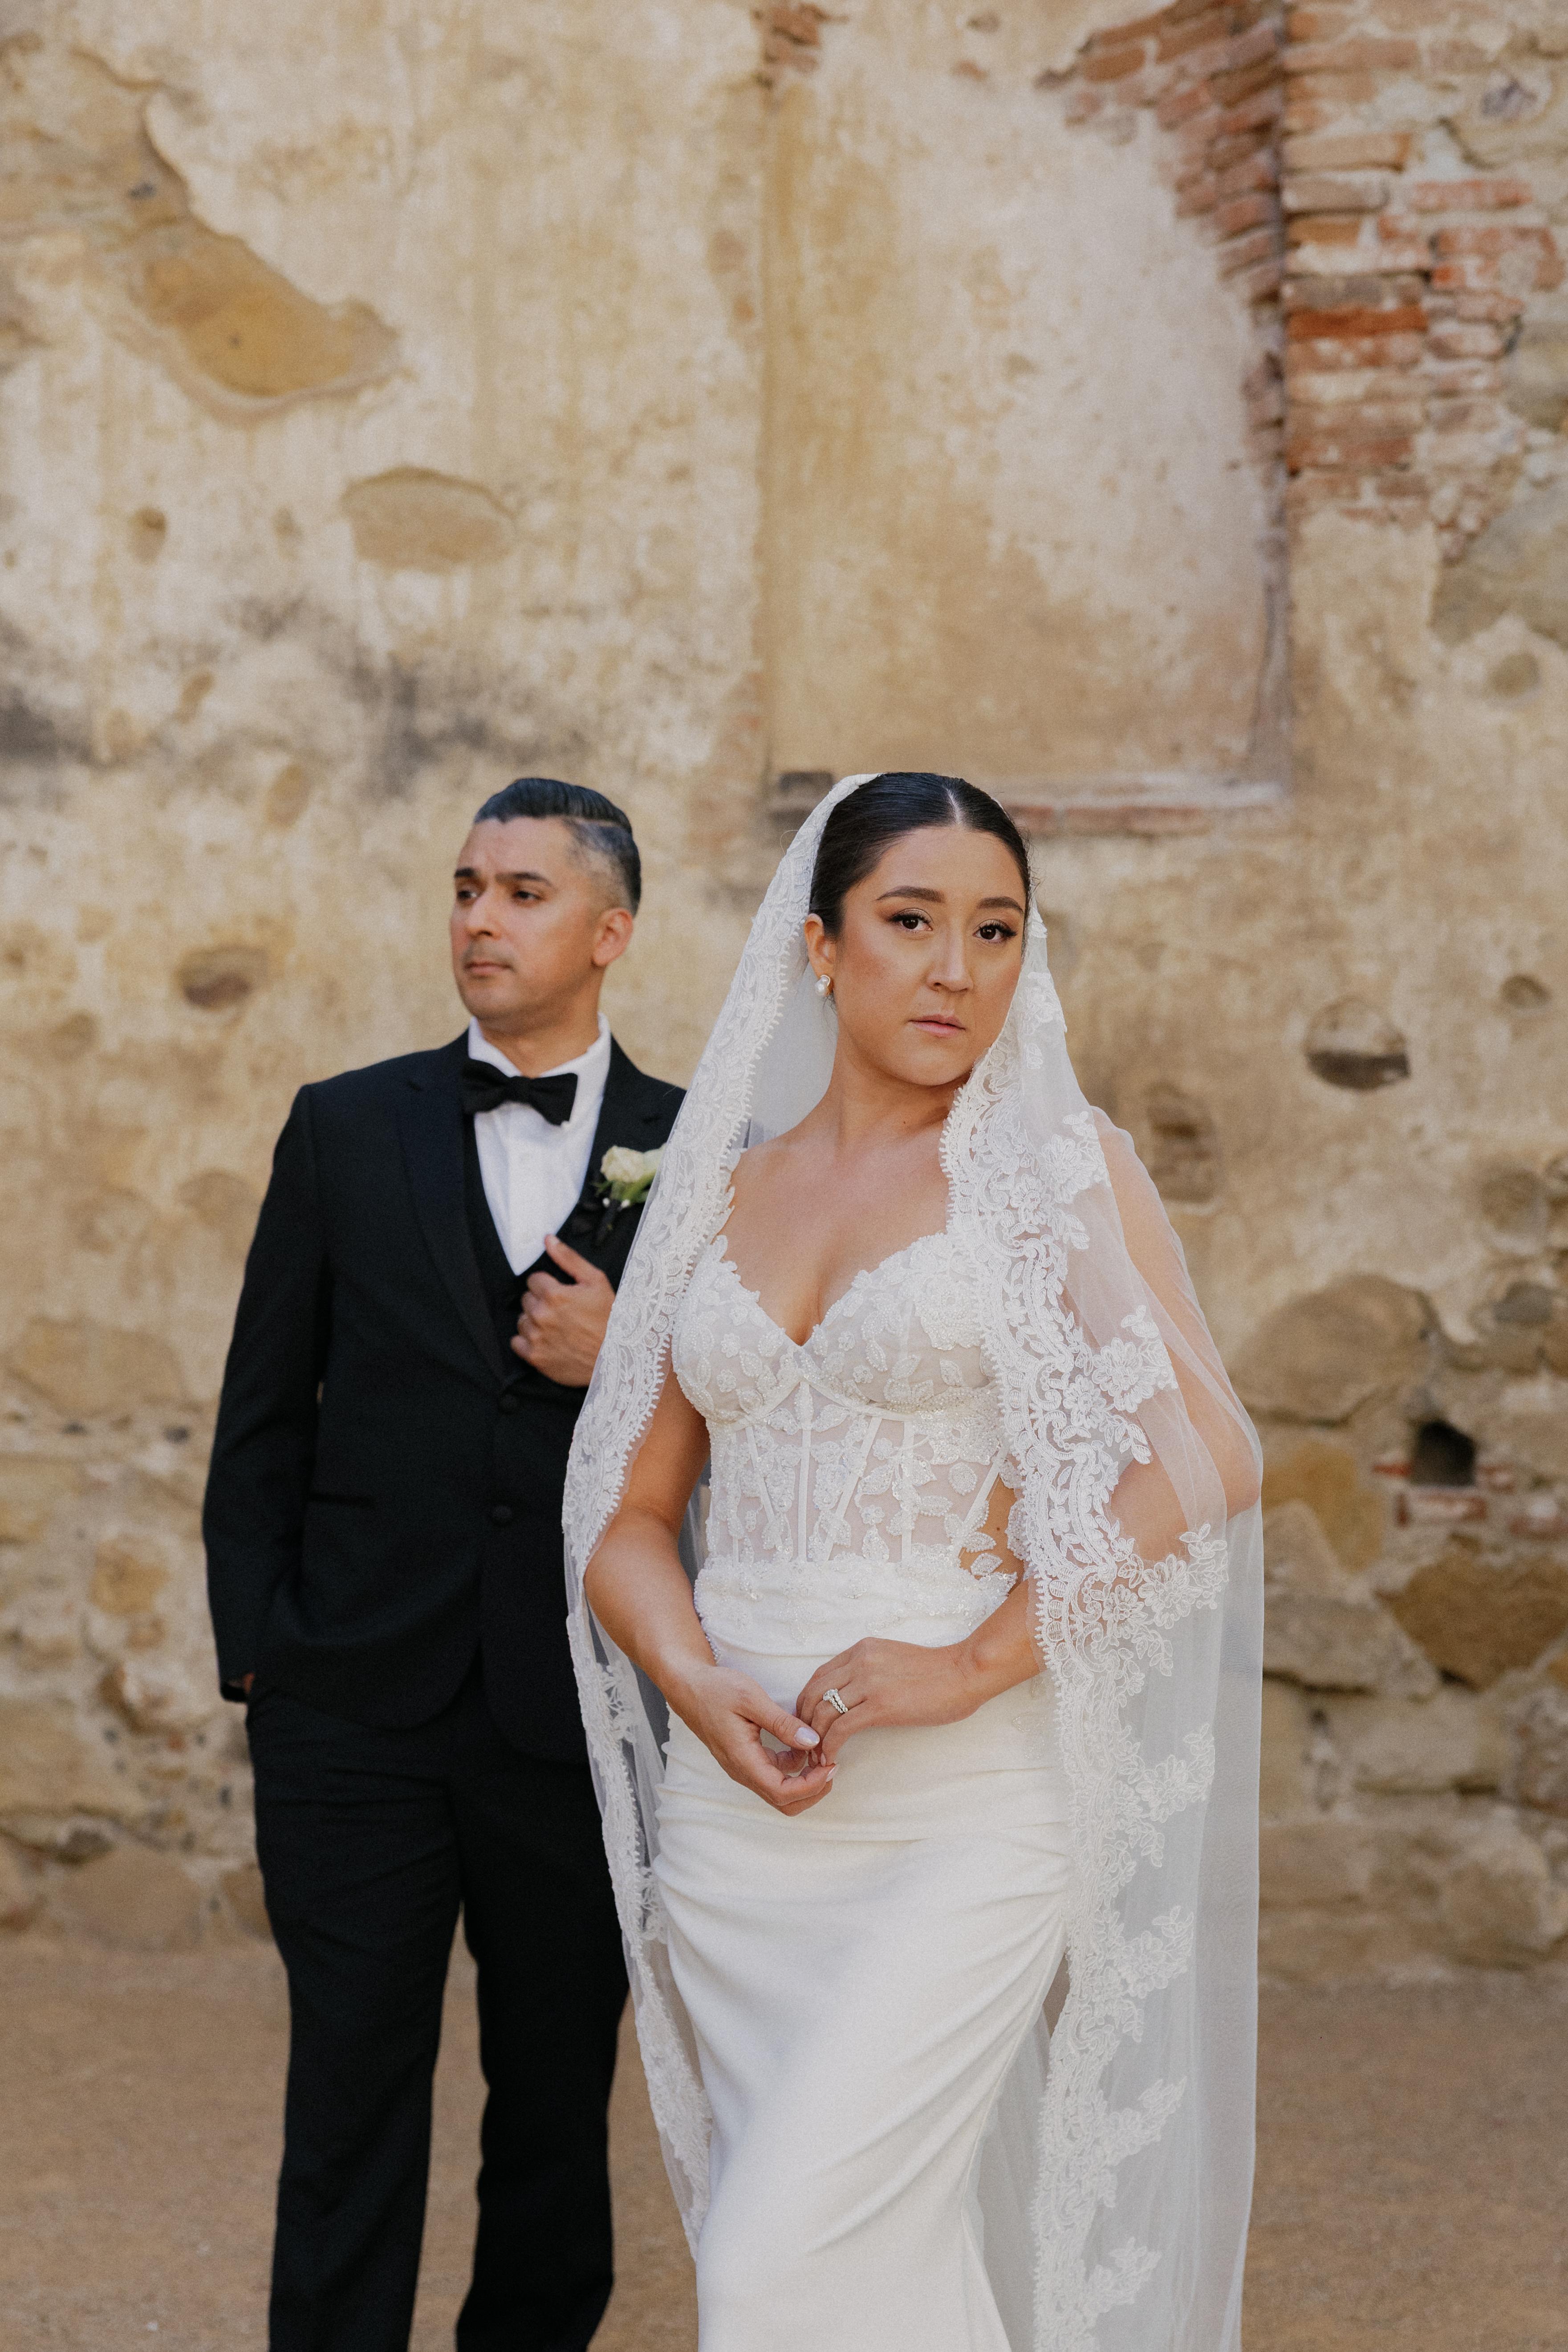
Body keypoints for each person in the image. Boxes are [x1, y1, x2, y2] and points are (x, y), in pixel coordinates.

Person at [561, 772, 1264, 2352]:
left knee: (771, 2264)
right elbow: (629, 1517)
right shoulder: (717, 1189)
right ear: (819, 946)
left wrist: (974, 1658)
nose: (956, 967)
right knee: (878, 2278)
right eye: (910, 921)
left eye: (995, 930)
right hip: (742, 1818)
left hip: (964, 1809)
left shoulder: (1050, 1171)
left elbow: (1205, 1454)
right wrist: (690, 1679)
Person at [203, 778, 682, 2352]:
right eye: (468, 886)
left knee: (553, 2111)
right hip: (353, 1708)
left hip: (576, 1711)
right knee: (347, 2099)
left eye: (524, 892)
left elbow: (753, 1432)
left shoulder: (703, 1151)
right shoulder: (344, 1126)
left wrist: (627, 1358)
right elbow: (262, 1415)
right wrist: (264, 1656)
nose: (481, 917)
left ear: (610, 931)